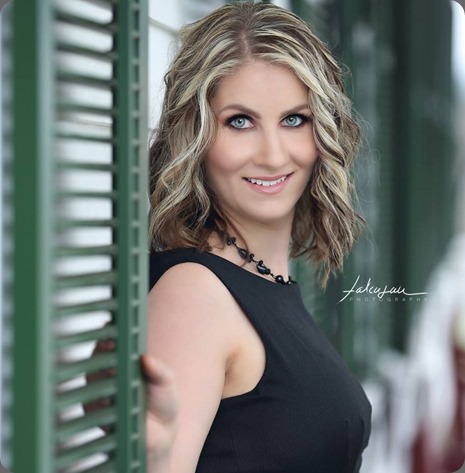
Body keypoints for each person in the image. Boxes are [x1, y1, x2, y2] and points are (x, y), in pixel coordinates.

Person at [141, 2, 372, 472]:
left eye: (294, 119)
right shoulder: (193, 296)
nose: (272, 155)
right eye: (240, 121)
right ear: (195, 137)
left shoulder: (266, 281)